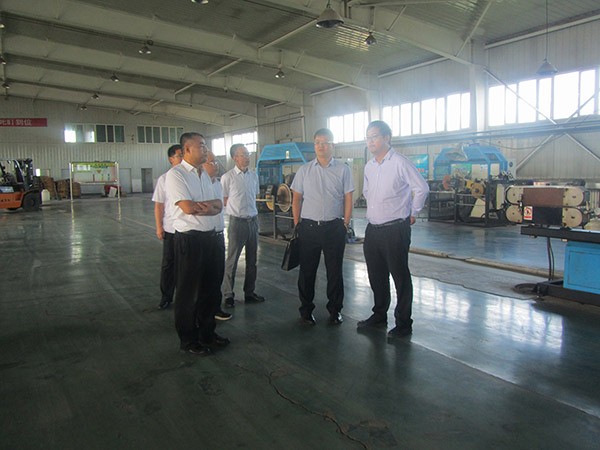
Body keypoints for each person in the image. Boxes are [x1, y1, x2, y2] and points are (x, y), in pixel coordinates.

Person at [357, 120, 429, 337]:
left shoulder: (399, 162)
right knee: (376, 275)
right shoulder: (369, 166)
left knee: (399, 276)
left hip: (395, 229)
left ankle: (404, 323)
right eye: (368, 137)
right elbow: (367, 192)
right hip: (373, 229)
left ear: (387, 138)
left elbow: (422, 188)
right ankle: (379, 315)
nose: (370, 141)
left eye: (374, 137)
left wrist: (413, 212)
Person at [165, 132, 230, 355]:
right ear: (187, 149)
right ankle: (188, 339)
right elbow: (188, 207)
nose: (206, 150)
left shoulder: (205, 175)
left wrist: (207, 206)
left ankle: (207, 333)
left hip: (213, 239)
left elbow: (219, 205)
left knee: (211, 290)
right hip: (190, 241)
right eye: (201, 146)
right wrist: (208, 207)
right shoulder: (176, 175)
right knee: (188, 293)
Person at [290, 128, 354, 325]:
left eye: (325, 142)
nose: (321, 146)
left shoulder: (343, 169)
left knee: (334, 272)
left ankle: (335, 311)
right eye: (317, 142)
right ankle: (306, 311)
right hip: (309, 228)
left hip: (334, 228)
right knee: (307, 272)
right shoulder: (304, 170)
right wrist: (297, 224)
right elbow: (296, 199)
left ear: (332, 145)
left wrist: (345, 223)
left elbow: (348, 197)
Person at [220, 144, 265, 308]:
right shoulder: (227, 177)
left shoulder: (253, 176)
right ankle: (228, 294)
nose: (247, 157)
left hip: (253, 221)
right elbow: (224, 199)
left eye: (247, 154)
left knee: (252, 260)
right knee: (232, 260)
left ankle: (249, 292)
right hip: (237, 223)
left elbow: (255, 196)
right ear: (234, 158)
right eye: (243, 154)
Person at [201, 150, 232, 322]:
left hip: (219, 234)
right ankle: (203, 312)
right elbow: (204, 208)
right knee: (204, 277)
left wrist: (215, 206)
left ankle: (215, 308)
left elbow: (218, 207)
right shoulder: (200, 184)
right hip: (204, 236)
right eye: (211, 162)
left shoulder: (217, 184)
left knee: (217, 274)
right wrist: (215, 206)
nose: (216, 165)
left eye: (216, 162)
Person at [152, 144, 183, 310]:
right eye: (179, 156)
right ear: (171, 159)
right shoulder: (164, 179)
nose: (182, 158)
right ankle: (166, 296)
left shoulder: (190, 177)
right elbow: (159, 205)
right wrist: (159, 227)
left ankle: (185, 296)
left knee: (186, 265)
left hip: (187, 229)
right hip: (171, 229)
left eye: (184, 155)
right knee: (169, 264)